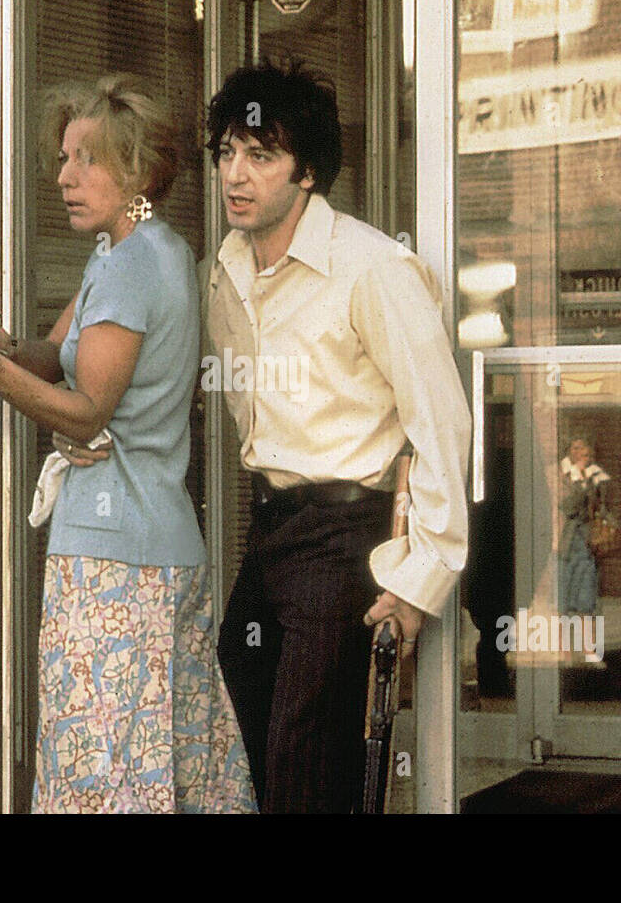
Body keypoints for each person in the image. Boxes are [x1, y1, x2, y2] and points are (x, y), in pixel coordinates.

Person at [0, 73, 255, 814]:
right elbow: (57, 357)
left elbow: (86, 412)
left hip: (115, 554)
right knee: (177, 764)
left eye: (85, 158)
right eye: (63, 158)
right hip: (158, 544)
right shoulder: (142, 251)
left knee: (105, 772)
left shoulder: (130, 264)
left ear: (138, 171)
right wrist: (11, 348)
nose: (64, 176)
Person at [202, 59, 471, 813]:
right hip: (271, 530)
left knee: (307, 761)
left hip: (343, 534)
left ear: (309, 171)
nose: (237, 174)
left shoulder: (371, 268)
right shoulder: (225, 266)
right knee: (241, 738)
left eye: (262, 155)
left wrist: (416, 581)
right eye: (227, 153)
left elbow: (440, 423)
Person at [557, 436, 612, 616]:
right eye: (576, 448)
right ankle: (562, 642)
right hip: (566, 542)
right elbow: (568, 506)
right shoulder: (561, 475)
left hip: (587, 542)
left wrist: (596, 485)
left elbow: (602, 508)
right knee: (562, 601)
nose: (581, 453)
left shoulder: (595, 475)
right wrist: (580, 481)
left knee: (586, 602)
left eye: (584, 449)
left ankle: (587, 642)